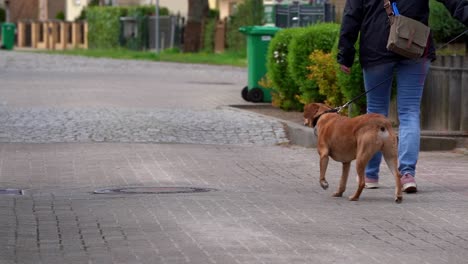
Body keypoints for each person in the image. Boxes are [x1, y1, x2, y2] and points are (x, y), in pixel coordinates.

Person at [337, 0, 468, 192]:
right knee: (410, 112)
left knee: (375, 113)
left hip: (376, 48)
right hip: (415, 45)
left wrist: (345, 54)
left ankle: (370, 175)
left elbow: (351, 14)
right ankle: (407, 175)